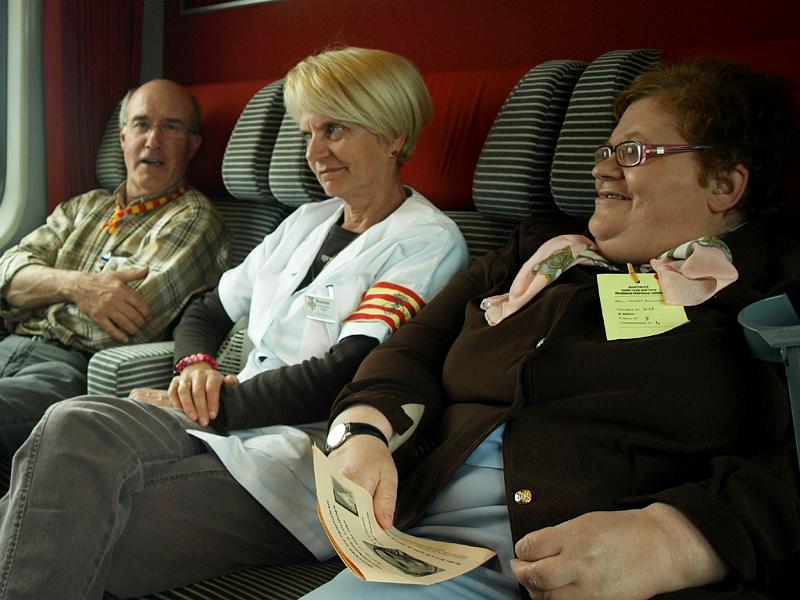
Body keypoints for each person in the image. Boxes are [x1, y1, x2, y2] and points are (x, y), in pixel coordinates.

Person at [298, 58, 800, 599]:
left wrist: (681, 540)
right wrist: (363, 430)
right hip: (413, 532)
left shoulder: (779, 285)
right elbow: (409, 350)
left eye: (632, 153)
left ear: (723, 184)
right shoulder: (533, 252)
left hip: (573, 572)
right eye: (605, 151)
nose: (602, 170)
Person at [0, 47, 468, 598]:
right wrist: (196, 367)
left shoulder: (425, 242)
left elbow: (348, 371)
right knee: (73, 422)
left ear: (394, 136)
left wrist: (215, 404)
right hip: (226, 419)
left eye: (334, 130)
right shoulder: (306, 221)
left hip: (307, 460)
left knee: (69, 523)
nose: (314, 153)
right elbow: (206, 309)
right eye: (308, 133)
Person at [0, 78, 228, 458]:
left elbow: (121, 323)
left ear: (192, 145)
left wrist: (32, 295)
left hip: (70, 370)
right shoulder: (84, 206)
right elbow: (6, 273)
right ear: (123, 137)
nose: (153, 140)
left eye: (171, 127)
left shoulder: (193, 219)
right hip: (10, 345)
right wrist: (78, 286)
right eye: (141, 124)